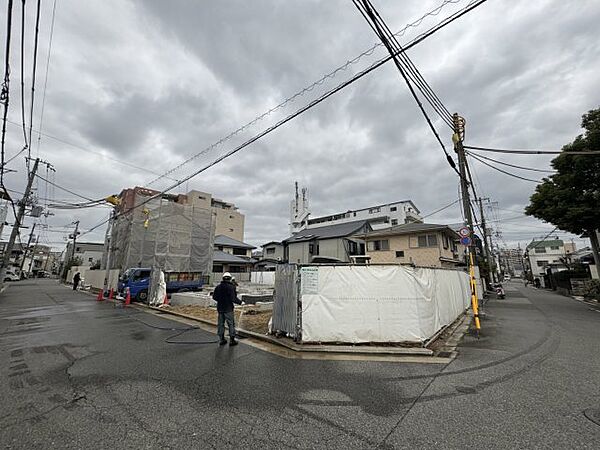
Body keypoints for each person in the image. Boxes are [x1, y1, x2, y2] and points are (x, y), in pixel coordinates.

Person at [212, 272, 242, 346]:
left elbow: (214, 297)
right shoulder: (231, 287)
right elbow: (233, 298)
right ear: (230, 279)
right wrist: (240, 302)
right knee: (231, 324)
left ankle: (222, 339)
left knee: (220, 324)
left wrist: (220, 300)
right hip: (228, 308)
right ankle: (232, 340)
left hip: (220, 308)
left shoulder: (218, 287)